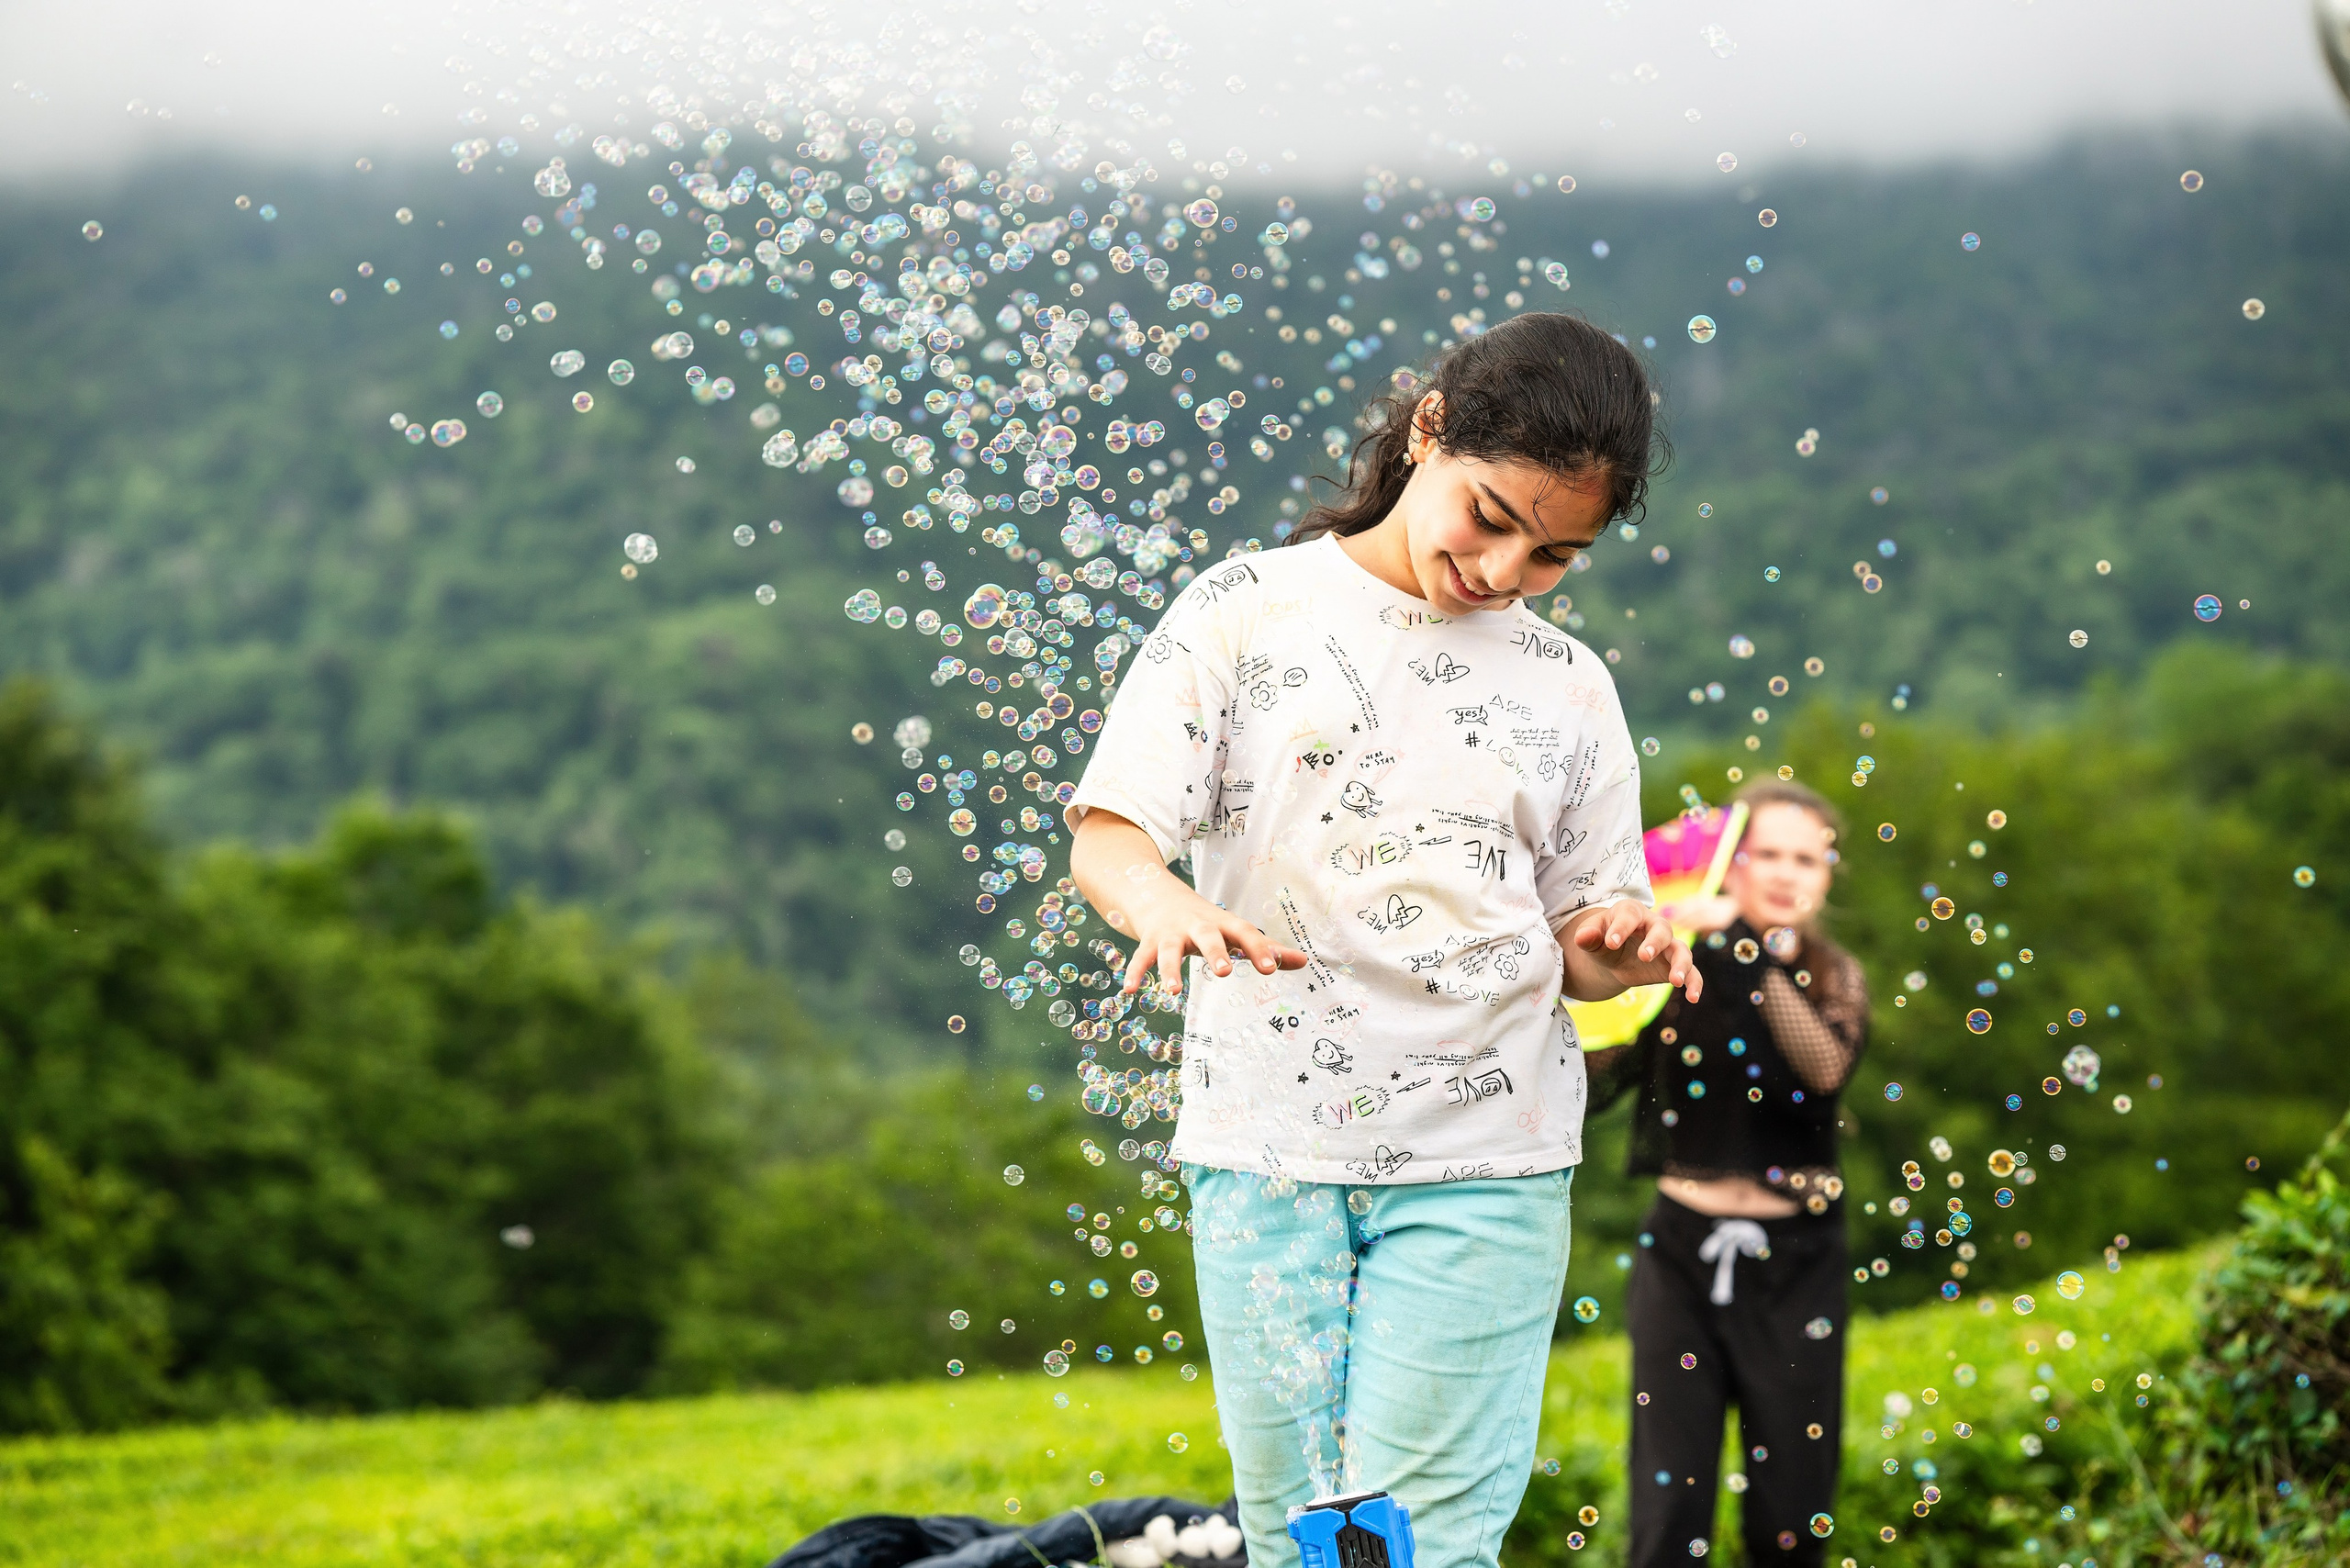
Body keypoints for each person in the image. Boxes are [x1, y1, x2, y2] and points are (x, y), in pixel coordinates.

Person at [1066, 313, 1694, 1568]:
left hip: (1486, 1156)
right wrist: (1168, 903)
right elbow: (1112, 837)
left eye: (1557, 552)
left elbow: (1579, 932)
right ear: (1427, 432)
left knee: (1431, 1548)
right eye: (1492, 514)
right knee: (1300, 1540)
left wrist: (1616, 949)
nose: (1508, 569)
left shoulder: (1568, 685)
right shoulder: (1245, 611)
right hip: (1266, 1144)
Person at [1584, 782, 1870, 1567]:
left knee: (1791, 1508)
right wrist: (1613, 985)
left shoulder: (1830, 974)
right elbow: (1599, 1080)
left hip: (1799, 1263)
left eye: (1805, 857)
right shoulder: (1677, 967)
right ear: (1727, 863)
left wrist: (1743, 944)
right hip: (1682, 1255)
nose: (1785, 872)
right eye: (1765, 853)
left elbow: (1822, 1069)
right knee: (1670, 1504)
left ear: (1826, 875)